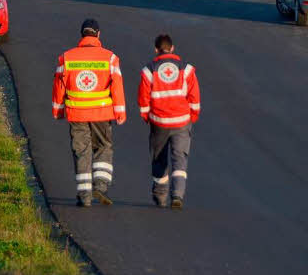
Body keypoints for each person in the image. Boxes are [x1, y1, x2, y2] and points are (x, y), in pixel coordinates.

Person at [52, 18, 126, 207]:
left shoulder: (66, 58)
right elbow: (117, 87)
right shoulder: (110, 58)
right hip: (101, 113)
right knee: (103, 147)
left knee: (81, 151)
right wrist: (120, 112)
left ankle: (84, 196)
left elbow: (59, 87)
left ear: (82, 35)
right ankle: (100, 187)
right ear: (98, 35)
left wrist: (58, 110)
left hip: (77, 113)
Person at [138, 33, 200, 209]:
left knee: (159, 159)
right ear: (172, 48)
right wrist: (192, 116)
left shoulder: (148, 70)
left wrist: (147, 117)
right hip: (182, 121)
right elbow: (194, 96)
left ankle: (160, 196)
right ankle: (177, 195)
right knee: (180, 158)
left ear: (156, 50)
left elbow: (143, 99)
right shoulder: (186, 69)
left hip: (159, 122)